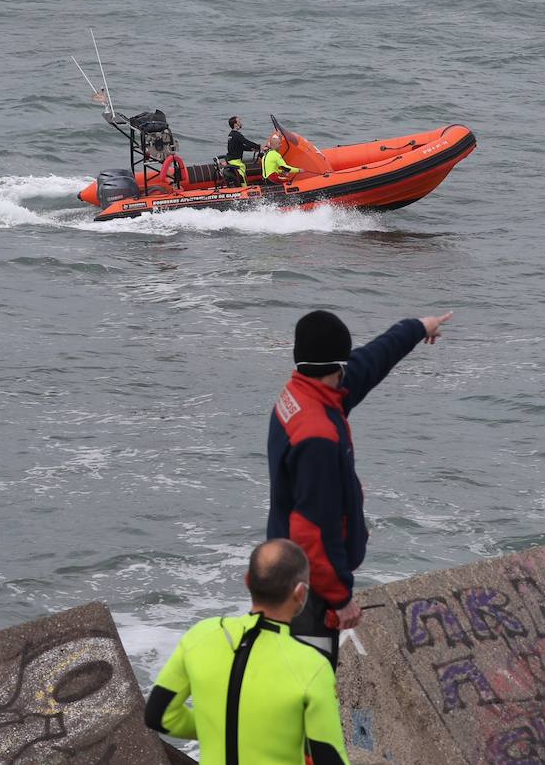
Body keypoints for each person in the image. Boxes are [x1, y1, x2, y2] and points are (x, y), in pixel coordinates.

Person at [267, 309, 452, 668]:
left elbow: (370, 362)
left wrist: (417, 329)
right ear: (338, 364)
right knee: (309, 685)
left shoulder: (301, 393)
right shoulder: (318, 435)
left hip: (283, 566)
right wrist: (339, 598)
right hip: (307, 589)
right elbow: (312, 530)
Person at [144, 539, 348, 765]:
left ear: (248, 580)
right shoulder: (312, 665)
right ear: (300, 593)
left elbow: (159, 715)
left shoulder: (200, 635)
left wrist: (218, 727)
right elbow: (329, 757)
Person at [223, 116, 262, 186]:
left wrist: (251, 149)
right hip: (235, 161)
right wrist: (259, 147)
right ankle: (244, 188)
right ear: (235, 124)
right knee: (242, 178)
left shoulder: (231, 135)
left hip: (231, 159)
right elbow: (246, 142)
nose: (241, 122)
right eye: (239, 121)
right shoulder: (237, 135)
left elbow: (240, 147)